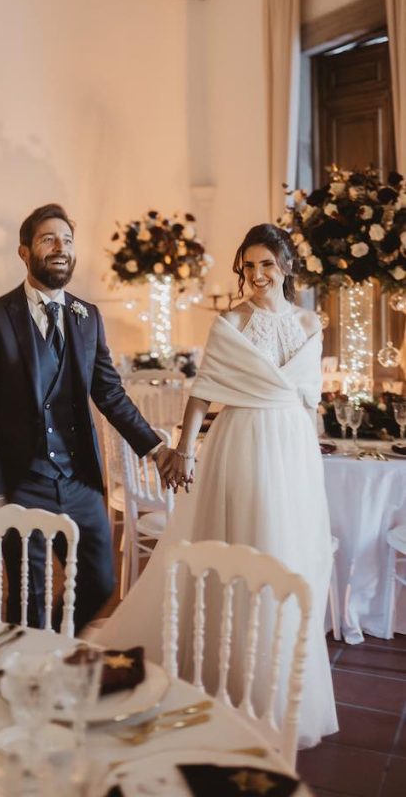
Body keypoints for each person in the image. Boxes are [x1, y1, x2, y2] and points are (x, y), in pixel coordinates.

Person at [97, 223, 338, 748]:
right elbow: (203, 391)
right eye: (249, 266)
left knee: (287, 555)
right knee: (246, 548)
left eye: (267, 264)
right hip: (241, 442)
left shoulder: (308, 323)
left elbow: (307, 399)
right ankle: (223, 680)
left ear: (287, 267)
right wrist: (183, 448)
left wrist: (312, 453)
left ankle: (275, 689)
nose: (257, 275)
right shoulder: (230, 322)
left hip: (293, 447)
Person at [0, 202, 177, 632]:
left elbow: (109, 392)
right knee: (28, 594)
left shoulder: (87, 317)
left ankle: (54, 646)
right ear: (25, 252)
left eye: (67, 240)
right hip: (22, 480)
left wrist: (154, 448)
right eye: (48, 239)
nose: (60, 247)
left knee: (99, 582)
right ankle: (27, 670)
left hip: (77, 480)